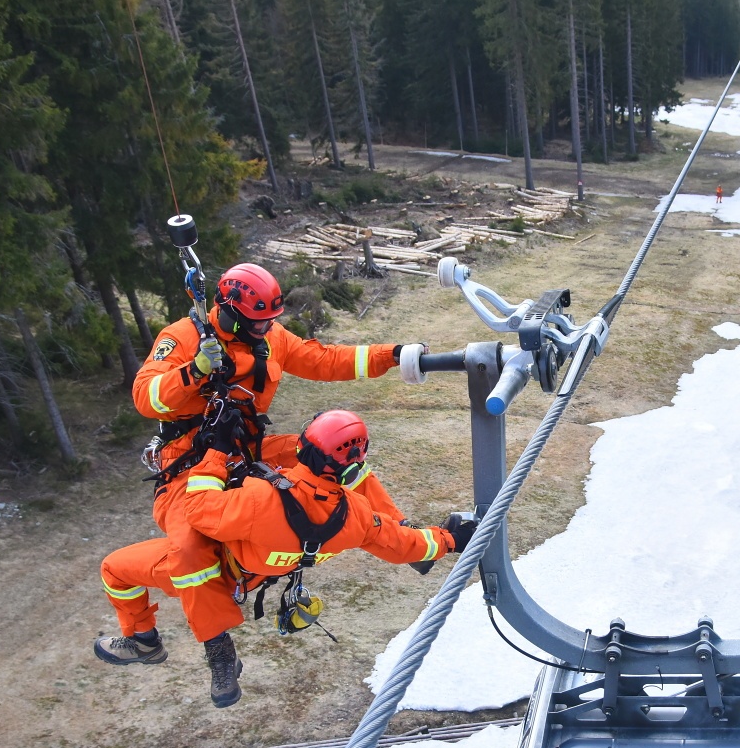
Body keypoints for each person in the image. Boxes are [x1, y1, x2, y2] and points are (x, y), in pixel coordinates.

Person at [131, 261, 421, 661]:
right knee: (189, 547)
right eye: (257, 323)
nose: (265, 329)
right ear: (231, 312)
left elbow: (324, 360)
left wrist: (393, 355)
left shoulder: (271, 337)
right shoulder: (183, 337)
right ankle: (218, 648)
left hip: (249, 449)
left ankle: (398, 527)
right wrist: (195, 370)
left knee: (333, 456)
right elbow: (147, 398)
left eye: (270, 321)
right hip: (191, 462)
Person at [96, 410, 476, 708]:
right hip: (260, 574)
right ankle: (207, 651)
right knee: (186, 560)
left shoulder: (261, 500)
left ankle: (144, 639)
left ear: (304, 450)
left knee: (116, 569)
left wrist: (216, 451)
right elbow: (406, 545)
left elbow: (197, 507)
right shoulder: (356, 517)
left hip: (222, 568)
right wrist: (451, 539)